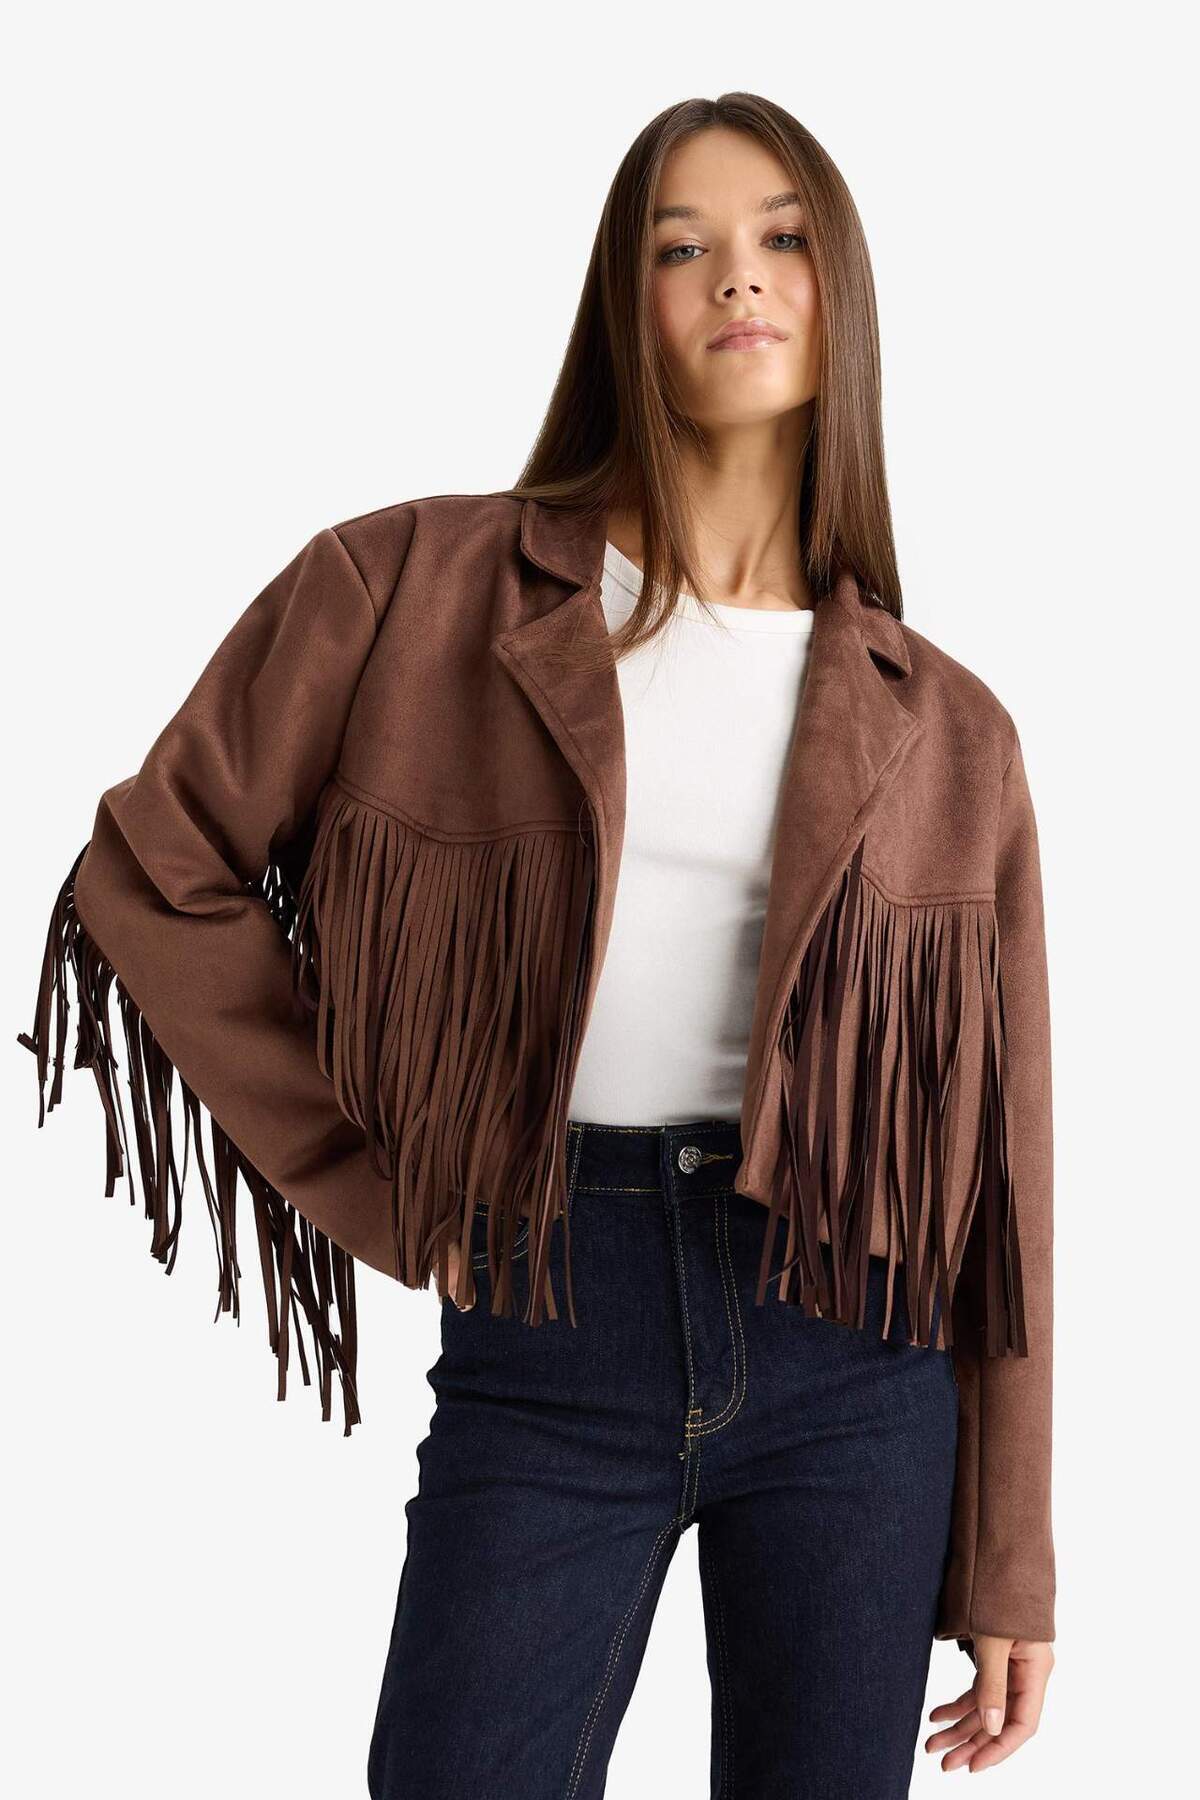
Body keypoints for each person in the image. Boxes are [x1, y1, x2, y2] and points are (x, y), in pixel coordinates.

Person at [19, 93, 1055, 1798]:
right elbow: (156, 869)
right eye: (682, 246)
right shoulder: (408, 589)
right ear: (622, 305)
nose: (738, 277)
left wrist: (1010, 1558)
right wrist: (374, 1173)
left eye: (783, 237)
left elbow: (998, 1183)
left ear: (842, 294)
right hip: (554, 1307)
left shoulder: (950, 730)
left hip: (854, 1361)